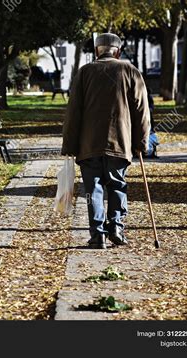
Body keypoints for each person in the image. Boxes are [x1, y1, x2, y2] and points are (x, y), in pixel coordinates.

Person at [61, 33, 150, 249]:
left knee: (94, 189)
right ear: (117, 51)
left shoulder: (84, 72)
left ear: (96, 51)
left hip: (89, 144)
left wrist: (70, 145)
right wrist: (142, 141)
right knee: (117, 185)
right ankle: (116, 227)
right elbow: (142, 110)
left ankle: (98, 234)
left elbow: (74, 113)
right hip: (120, 142)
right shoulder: (130, 71)